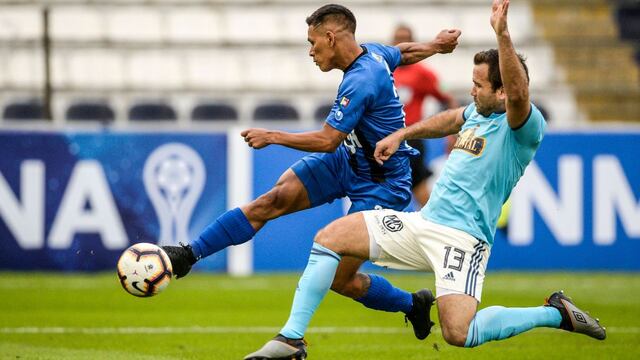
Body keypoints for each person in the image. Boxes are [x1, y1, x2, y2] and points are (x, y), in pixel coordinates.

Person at [244, 1, 605, 359]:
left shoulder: (523, 127)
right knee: (330, 238)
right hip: (423, 224)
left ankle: (555, 313)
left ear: (503, 92)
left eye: (480, 85)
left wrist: (503, 36)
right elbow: (449, 119)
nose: (472, 91)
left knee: (459, 333)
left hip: (463, 239)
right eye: (472, 83)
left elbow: (520, 92)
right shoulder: (476, 114)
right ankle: (291, 340)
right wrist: (401, 134)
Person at [163, 2, 461, 340]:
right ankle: (189, 254)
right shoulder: (374, 54)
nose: (310, 51)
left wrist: (272, 136)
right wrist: (436, 46)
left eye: (312, 42)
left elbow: (327, 140)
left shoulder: (361, 80)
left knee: (340, 279)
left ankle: (412, 304)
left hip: (380, 182)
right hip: (348, 161)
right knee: (273, 199)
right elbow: (401, 53)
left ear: (331, 37)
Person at [392, 24, 459, 207]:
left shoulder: (422, 73)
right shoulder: (383, 69)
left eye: (405, 38)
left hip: (410, 138)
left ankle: (435, 226)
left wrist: (454, 132)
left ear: (413, 43)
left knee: (418, 186)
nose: (401, 43)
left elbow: (447, 97)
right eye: (398, 39)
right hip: (384, 137)